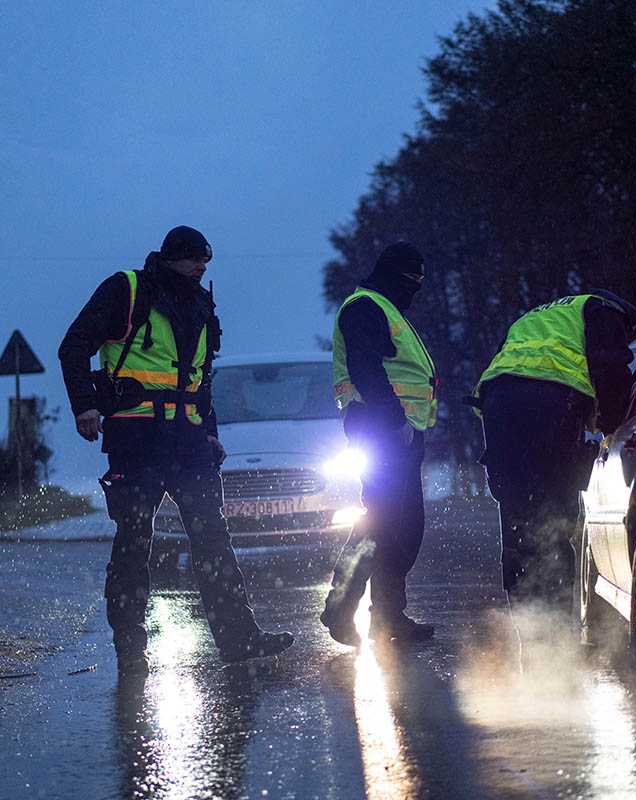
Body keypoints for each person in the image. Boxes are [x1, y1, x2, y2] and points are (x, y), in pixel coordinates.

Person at [58, 225, 294, 677]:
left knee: (213, 538)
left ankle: (239, 639)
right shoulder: (126, 291)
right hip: (136, 438)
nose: (201, 267)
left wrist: (210, 432)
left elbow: (200, 377)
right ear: (169, 258)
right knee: (134, 542)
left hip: (189, 442)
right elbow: (73, 347)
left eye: (206, 261)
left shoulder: (201, 303)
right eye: (193, 260)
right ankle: (130, 648)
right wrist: (84, 406)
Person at [470, 289, 636, 617]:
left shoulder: (538, 316)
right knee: (555, 513)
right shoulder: (604, 311)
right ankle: (555, 624)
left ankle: (527, 622)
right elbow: (612, 370)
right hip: (548, 400)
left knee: (518, 515)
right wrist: (612, 423)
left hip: (498, 402)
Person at [320, 241, 438, 647]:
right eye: (411, 281)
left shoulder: (386, 309)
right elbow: (365, 369)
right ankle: (344, 609)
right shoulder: (365, 307)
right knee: (383, 524)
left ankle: (388, 617)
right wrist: (393, 420)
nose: (416, 290)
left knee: (402, 526)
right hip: (382, 428)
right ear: (393, 275)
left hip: (399, 430)